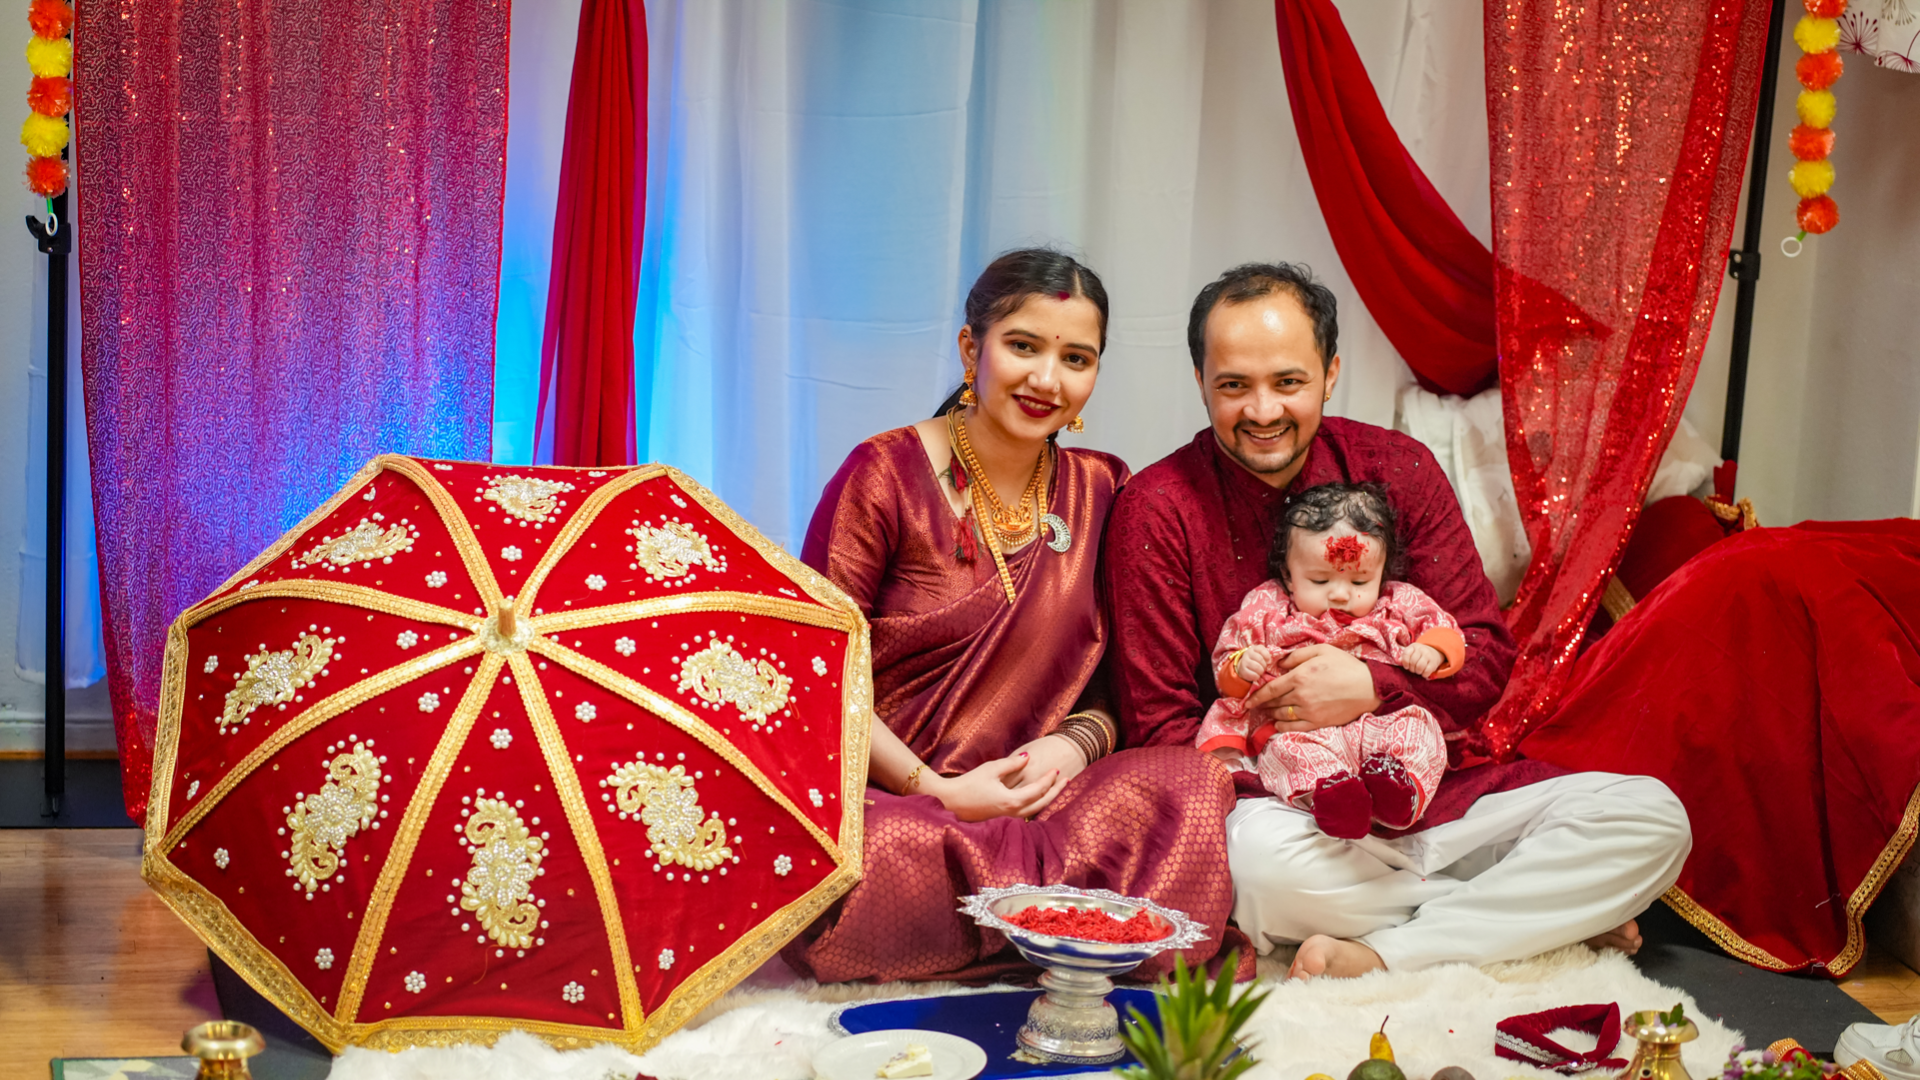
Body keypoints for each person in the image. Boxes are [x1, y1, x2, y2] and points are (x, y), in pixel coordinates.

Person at [1103, 261, 1691, 980]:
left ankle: (1388, 947)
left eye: (1288, 382)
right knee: (1255, 875)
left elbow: (1483, 656)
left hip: (1435, 789)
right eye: (1234, 386)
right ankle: (1523, 916)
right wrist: (1283, 760)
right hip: (1285, 814)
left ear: (1330, 373)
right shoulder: (1157, 509)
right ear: (1201, 381)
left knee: (1652, 818)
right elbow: (1160, 727)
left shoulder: (1398, 469)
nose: (1262, 411)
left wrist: (1374, 684)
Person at [782, 249, 1242, 984]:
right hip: (898, 796)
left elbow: (1124, 681)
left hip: (1048, 794)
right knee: (864, 853)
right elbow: (814, 673)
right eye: (1023, 346)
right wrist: (936, 791)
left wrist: (1074, 749)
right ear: (973, 348)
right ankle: (1058, 921)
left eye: (1076, 357)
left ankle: (1012, 918)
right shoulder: (883, 476)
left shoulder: (1105, 489)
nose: (1046, 379)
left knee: (1188, 781)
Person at [1199, 482, 1462, 839]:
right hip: (1304, 733)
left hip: (1382, 724)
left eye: (1360, 580)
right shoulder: (1268, 606)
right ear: (1289, 576)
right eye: (1320, 580)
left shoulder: (1398, 601)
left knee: (1420, 729)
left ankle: (1401, 794)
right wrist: (1243, 665)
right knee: (1283, 752)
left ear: (1382, 575)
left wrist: (1432, 650)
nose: (1340, 594)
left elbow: (1446, 631)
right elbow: (1228, 659)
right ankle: (1334, 799)